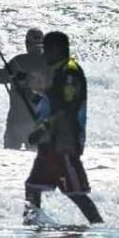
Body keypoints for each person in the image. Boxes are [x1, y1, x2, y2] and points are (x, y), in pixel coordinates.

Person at [23, 31, 103, 225]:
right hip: (49, 144)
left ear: (56, 50)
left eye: (46, 51)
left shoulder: (70, 71)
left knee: (76, 193)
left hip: (64, 142)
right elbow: (50, 98)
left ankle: (100, 228)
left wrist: (43, 129)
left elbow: (67, 108)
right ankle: (31, 228)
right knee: (33, 187)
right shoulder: (57, 71)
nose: (43, 56)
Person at [0, 28, 48, 149]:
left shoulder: (18, 61)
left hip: (16, 121)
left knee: (9, 161)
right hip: (38, 124)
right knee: (33, 161)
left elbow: (0, 77)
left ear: (27, 44)